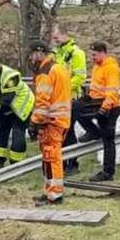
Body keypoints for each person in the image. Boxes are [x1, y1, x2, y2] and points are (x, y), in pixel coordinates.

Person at [27, 41, 72, 206]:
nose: (31, 59)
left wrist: (34, 122)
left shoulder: (45, 72)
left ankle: (54, 194)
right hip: (61, 119)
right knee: (49, 157)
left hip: (51, 121)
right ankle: (50, 191)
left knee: (52, 157)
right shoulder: (59, 68)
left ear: (39, 53)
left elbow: (42, 101)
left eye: (32, 54)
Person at [76, 41, 120, 181]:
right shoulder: (98, 67)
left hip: (109, 106)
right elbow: (97, 87)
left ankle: (108, 173)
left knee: (108, 140)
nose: (92, 58)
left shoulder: (111, 68)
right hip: (97, 101)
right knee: (75, 108)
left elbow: (112, 92)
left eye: (94, 55)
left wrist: (103, 109)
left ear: (103, 53)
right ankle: (93, 132)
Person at [0, 55, 35, 170]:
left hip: (20, 108)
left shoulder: (11, 77)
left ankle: (17, 164)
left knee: (18, 135)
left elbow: (5, 101)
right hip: (2, 109)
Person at [52, 26, 88, 174]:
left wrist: (64, 88)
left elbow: (80, 76)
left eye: (56, 37)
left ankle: (73, 163)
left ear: (65, 35)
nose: (54, 40)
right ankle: (64, 162)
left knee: (69, 131)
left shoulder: (76, 53)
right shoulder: (57, 53)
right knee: (61, 131)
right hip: (58, 99)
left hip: (71, 98)